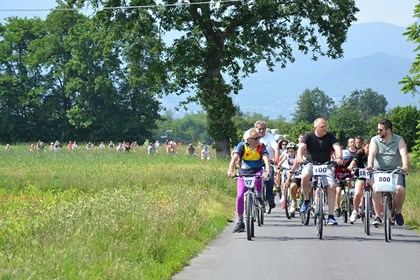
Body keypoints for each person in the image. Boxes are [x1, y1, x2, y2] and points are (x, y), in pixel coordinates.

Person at [293, 118, 343, 226]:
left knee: (331, 186)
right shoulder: (309, 135)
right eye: (322, 127)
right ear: (315, 128)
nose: (325, 128)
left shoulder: (330, 136)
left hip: (326, 164)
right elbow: (301, 147)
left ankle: (330, 216)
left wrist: (339, 157)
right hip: (311, 163)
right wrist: (300, 157)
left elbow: (337, 147)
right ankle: (306, 200)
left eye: (325, 126)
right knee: (305, 176)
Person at [366, 118, 409, 227]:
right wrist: (370, 165)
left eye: (380, 130)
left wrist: (405, 166)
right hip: (378, 170)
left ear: (388, 130)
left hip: (396, 170)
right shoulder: (375, 140)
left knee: (400, 189)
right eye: (377, 129)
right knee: (376, 188)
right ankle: (377, 216)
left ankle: (398, 212)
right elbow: (371, 153)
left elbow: (403, 153)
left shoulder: (399, 140)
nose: (378, 132)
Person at [228, 128, 270, 233]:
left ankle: (259, 196)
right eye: (256, 138)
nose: (258, 140)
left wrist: (267, 171)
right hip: (244, 172)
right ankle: (241, 221)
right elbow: (234, 158)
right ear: (249, 139)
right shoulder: (242, 146)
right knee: (239, 196)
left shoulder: (261, 146)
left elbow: (266, 159)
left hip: (257, 170)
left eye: (259, 138)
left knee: (258, 180)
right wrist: (230, 170)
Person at [255, 120, 280, 210]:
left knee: (270, 175)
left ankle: (270, 198)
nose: (261, 131)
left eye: (263, 129)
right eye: (259, 129)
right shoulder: (253, 135)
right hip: (255, 162)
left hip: (268, 161)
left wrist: (276, 158)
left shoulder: (269, 137)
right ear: (256, 129)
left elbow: (276, 147)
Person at [348, 139, 370, 223]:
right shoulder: (360, 154)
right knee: (357, 193)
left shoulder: (375, 154)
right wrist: (351, 166)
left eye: (371, 147)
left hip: (372, 177)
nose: (369, 149)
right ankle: (355, 210)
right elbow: (354, 161)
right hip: (361, 176)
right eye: (367, 147)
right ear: (364, 147)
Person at [334, 150, 353, 217]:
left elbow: (353, 171)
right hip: (338, 179)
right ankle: (338, 207)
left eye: (347, 159)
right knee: (338, 191)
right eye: (345, 159)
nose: (346, 160)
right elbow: (332, 170)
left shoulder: (350, 163)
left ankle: (351, 198)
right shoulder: (337, 164)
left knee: (349, 183)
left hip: (347, 180)